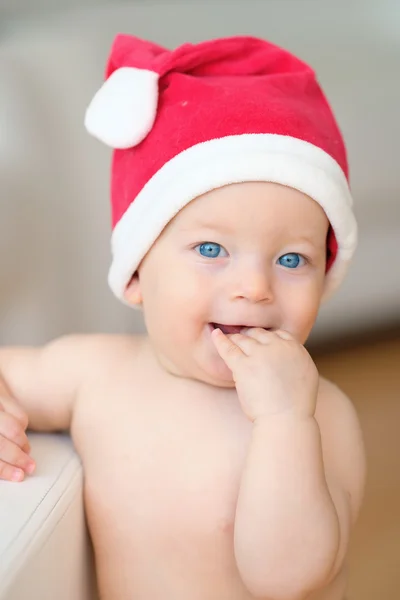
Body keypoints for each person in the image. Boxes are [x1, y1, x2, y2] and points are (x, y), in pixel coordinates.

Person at [0, 34, 365, 600]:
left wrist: (284, 423)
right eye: (212, 250)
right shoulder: (94, 372)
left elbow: (287, 579)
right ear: (138, 273)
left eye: (292, 259)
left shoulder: (321, 417)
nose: (253, 288)